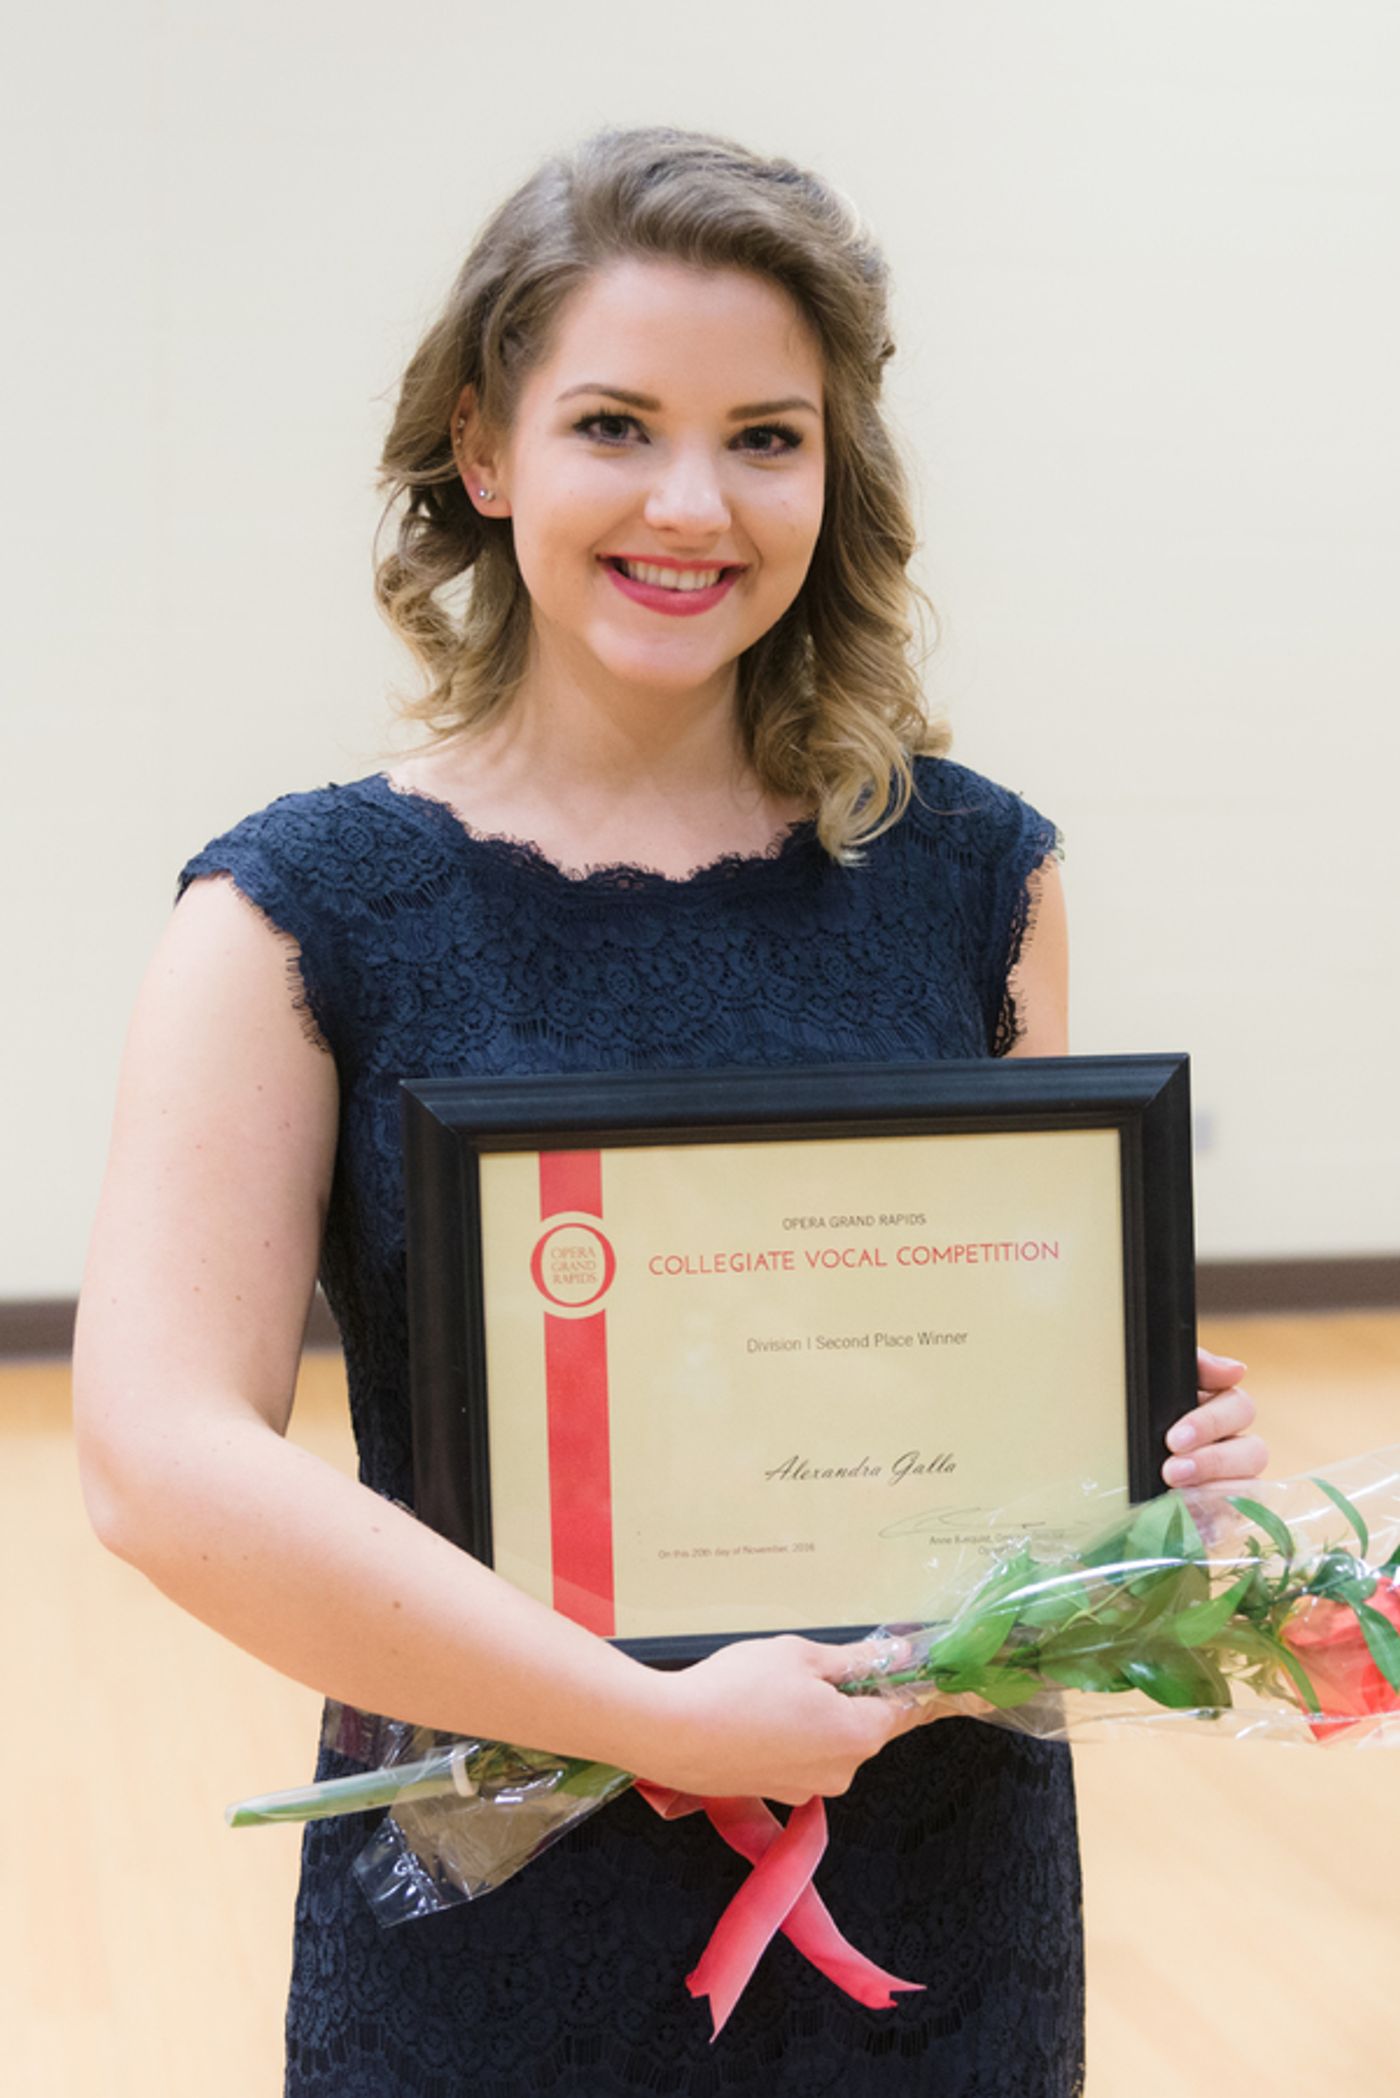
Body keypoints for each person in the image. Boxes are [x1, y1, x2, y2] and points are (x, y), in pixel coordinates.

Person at [73, 125, 1264, 2098]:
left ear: (835, 464)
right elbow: (157, 1456)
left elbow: (1017, 1438)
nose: (692, 502)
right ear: (481, 449)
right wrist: (652, 1711)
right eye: (614, 424)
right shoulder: (293, 906)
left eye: (765, 436)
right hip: (494, 1897)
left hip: (926, 1887)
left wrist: (1143, 1470)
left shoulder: (978, 874)